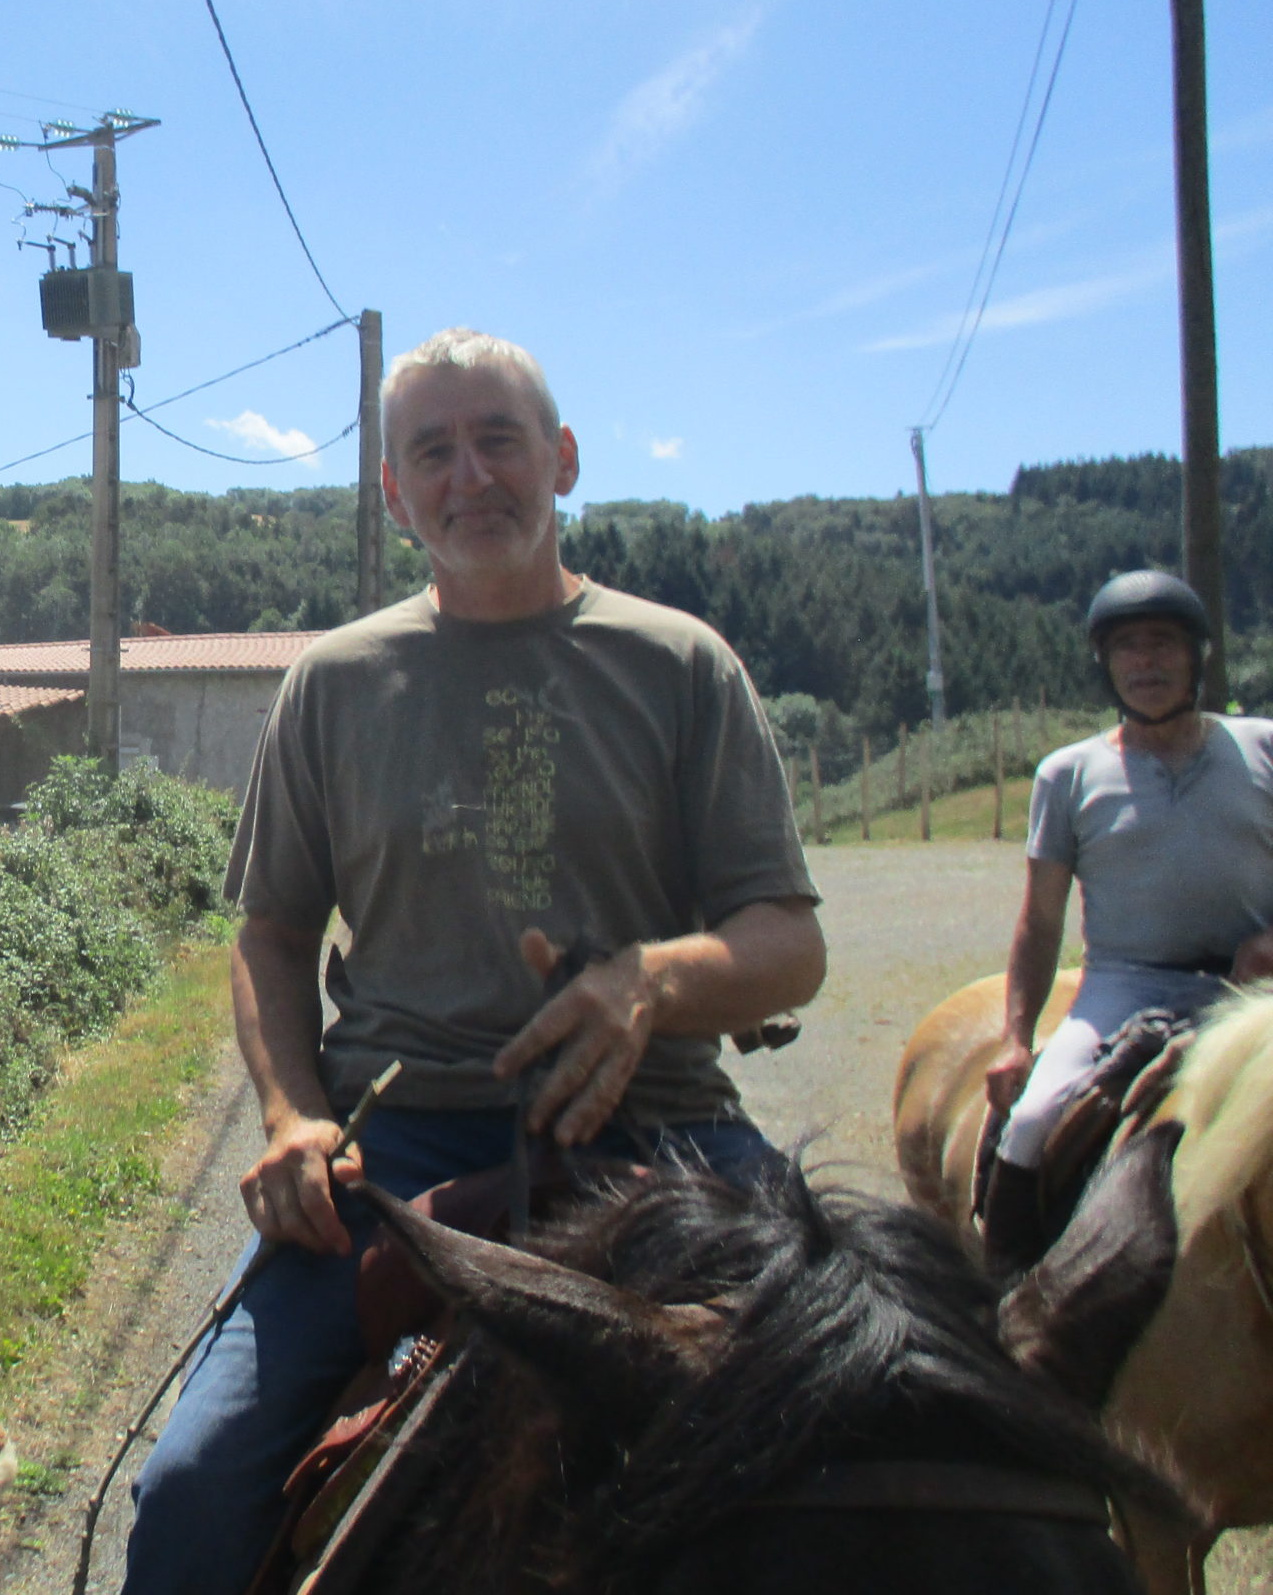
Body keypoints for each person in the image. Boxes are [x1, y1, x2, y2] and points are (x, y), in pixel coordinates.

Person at [120, 328, 825, 1595]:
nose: (470, 476)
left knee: (885, 1425)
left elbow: (788, 940)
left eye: (498, 440)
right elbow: (273, 932)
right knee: (190, 1494)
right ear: (393, 493)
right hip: (401, 1148)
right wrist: (292, 1118)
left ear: (559, 459)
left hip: (664, 1135)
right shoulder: (335, 683)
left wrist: (648, 983)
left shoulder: (679, 666)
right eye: (432, 452)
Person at [979, 569, 1273, 1279]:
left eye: (1164, 644)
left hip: (1256, 993)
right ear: (1107, 666)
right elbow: (1040, 920)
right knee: (1032, 1122)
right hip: (1123, 988)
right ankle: (1006, 1296)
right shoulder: (1066, 776)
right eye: (1128, 648)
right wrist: (1017, 1041)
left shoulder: (1266, 746)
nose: (1147, 663)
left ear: (1197, 656)